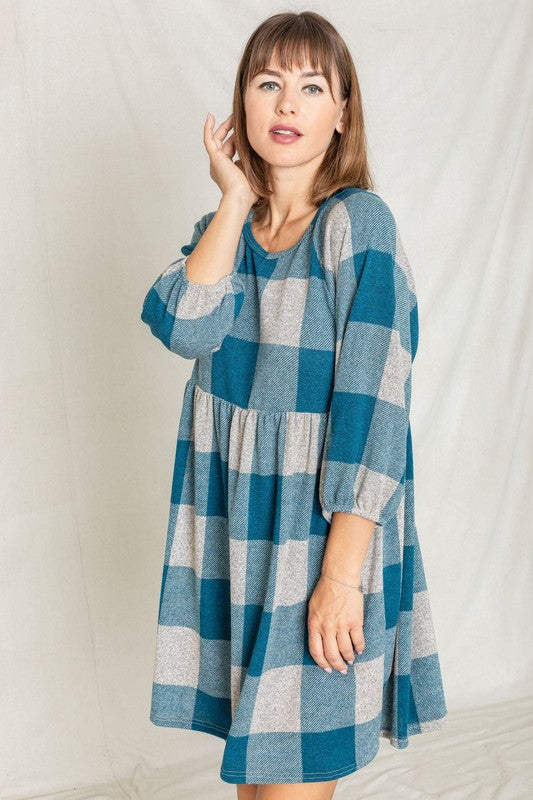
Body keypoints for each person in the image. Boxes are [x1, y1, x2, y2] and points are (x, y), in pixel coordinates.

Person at [141, 10, 448, 800]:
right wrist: (235, 197)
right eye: (268, 83)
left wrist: (341, 575)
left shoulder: (357, 226)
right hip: (238, 534)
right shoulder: (228, 231)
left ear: (341, 112)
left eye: (311, 87)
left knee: (290, 783)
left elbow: (377, 403)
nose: (286, 104)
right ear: (242, 101)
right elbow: (182, 324)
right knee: (258, 782)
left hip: (320, 536)